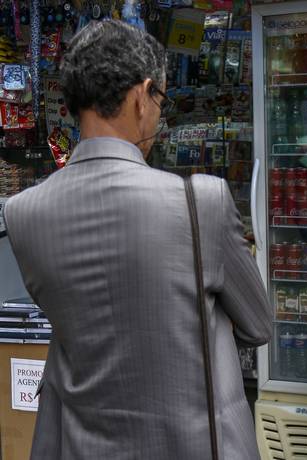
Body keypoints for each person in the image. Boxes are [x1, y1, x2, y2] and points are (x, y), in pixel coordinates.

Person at [4, 20, 272, 460]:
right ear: (140, 96)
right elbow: (257, 325)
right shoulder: (199, 201)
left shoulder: (23, 213)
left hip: (78, 444)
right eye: (160, 100)